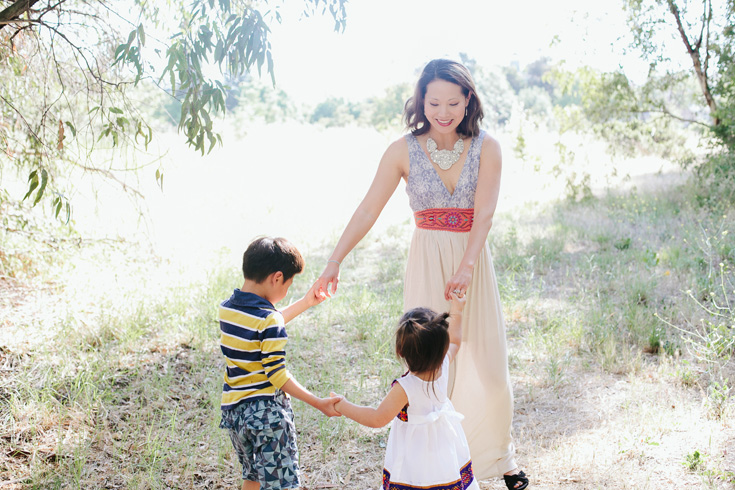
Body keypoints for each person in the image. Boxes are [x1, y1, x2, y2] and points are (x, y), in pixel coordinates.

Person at [313, 59, 528, 490]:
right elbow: (369, 208)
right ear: (421, 101)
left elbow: (484, 214)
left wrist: (467, 266)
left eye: (453, 101)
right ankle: (443, 465)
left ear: (469, 99)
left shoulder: (488, 147)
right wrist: (335, 260)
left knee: (489, 369)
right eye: (433, 102)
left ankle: (500, 458)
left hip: (473, 258)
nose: (443, 111)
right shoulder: (402, 150)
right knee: (432, 367)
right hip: (427, 257)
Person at [219, 236, 342, 490]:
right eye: (289, 282)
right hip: (267, 417)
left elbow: (261, 327)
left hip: (235, 414)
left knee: (251, 477)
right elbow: (277, 374)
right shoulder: (270, 321)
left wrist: (306, 302)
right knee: (282, 485)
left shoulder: (228, 310)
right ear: (276, 277)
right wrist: (318, 402)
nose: (288, 290)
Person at [331, 293, 481, 490]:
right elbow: (455, 342)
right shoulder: (443, 364)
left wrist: (342, 405)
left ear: (400, 351)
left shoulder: (405, 387)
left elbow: (377, 418)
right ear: (441, 348)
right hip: (444, 447)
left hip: (415, 455)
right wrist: (458, 310)